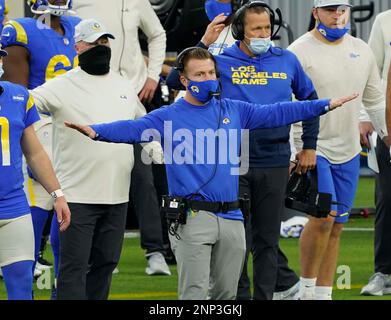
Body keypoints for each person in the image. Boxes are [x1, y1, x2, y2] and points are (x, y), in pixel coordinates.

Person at [65, 47, 357, 300]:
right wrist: (97, 132)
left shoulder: (235, 109)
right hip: (193, 219)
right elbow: (131, 129)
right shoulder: (168, 116)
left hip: (232, 218)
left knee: (227, 296)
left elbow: (279, 112)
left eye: (211, 73)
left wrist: (324, 105)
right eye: (199, 75)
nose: (208, 79)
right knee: (193, 294)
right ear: (184, 80)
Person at [168, 1, 318, 300]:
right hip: (232, 164)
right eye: (256, 28)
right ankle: (238, 300)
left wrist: (308, 147)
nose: (264, 33)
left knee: (268, 241)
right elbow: (176, 81)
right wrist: (204, 43)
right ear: (240, 31)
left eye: (267, 27)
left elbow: (310, 101)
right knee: (235, 242)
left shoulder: (286, 60)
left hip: (275, 161)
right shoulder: (221, 61)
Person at [30, 18, 153, 300]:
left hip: (117, 196)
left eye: (104, 41)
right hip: (76, 197)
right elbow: (23, 104)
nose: (101, 46)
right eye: (94, 42)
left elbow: (143, 121)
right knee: (73, 270)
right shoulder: (60, 85)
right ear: (78, 46)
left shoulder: (122, 85)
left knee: (106, 265)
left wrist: (153, 143)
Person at [288, 0, 389, 300]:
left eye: (341, 9)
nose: (337, 15)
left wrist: (387, 135)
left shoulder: (361, 49)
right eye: (330, 9)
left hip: (347, 150)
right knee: (323, 219)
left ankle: (323, 293)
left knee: (336, 227)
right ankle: (305, 291)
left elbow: (375, 100)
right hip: (314, 148)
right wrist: (299, 149)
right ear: (315, 12)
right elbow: (291, 106)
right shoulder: (298, 51)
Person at [72, 0, 171, 276]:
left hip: (136, 101)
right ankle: (99, 250)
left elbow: (157, 33)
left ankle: (155, 251)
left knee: (143, 177)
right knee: (98, 172)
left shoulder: (137, 2)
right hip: (93, 100)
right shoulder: (77, 4)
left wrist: (153, 76)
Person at [1, 0, 80, 294]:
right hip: (42, 123)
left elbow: (34, 151)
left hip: (12, 206)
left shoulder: (17, 97)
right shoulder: (20, 30)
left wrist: (57, 193)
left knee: (21, 286)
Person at [358, 9, 391, 296]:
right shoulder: (384, 21)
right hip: (388, 126)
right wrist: (363, 116)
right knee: (387, 199)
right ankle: (384, 271)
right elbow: (371, 72)